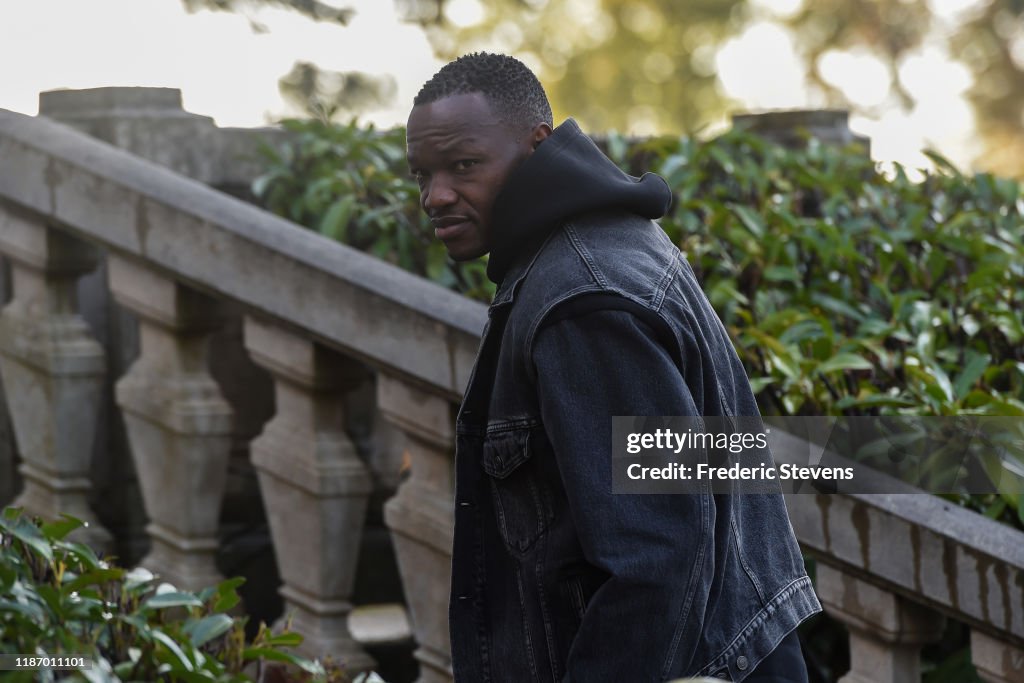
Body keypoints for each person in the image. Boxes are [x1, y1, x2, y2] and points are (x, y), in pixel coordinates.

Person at [405, 52, 822, 683]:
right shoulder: (597, 248)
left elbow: (656, 555)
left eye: (464, 165)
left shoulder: (581, 300)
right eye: (422, 174)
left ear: (535, 145)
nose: (436, 195)